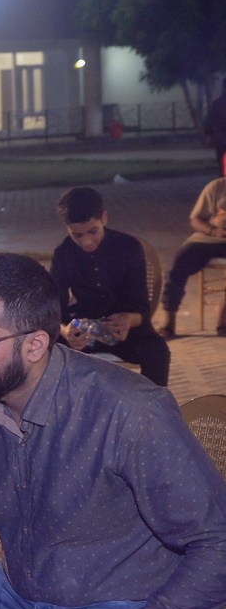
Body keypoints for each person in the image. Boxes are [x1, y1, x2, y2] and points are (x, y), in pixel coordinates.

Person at [0, 253, 226, 609]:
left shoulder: (130, 412)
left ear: (35, 345)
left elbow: (217, 543)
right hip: (17, 592)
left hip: (126, 606)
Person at [49, 186, 169, 385]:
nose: (87, 241)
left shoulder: (128, 247)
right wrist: (65, 331)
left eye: (92, 231)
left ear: (103, 218)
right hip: (82, 330)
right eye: (77, 235)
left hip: (124, 331)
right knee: (45, 348)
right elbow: (53, 311)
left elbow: (142, 310)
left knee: (157, 351)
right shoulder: (63, 253)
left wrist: (128, 320)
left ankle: (153, 404)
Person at [158, 176, 226, 337]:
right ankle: (169, 318)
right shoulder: (217, 187)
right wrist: (212, 231)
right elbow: (195, 219)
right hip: (209, 239)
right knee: (177, 265)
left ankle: (223, 316)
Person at [206, 80, 226, 177]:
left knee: (222, 167)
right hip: (221, 140)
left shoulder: (216, 104)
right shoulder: (217, 104)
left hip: (220, 140)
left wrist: (209, 137)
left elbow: (209, 122)